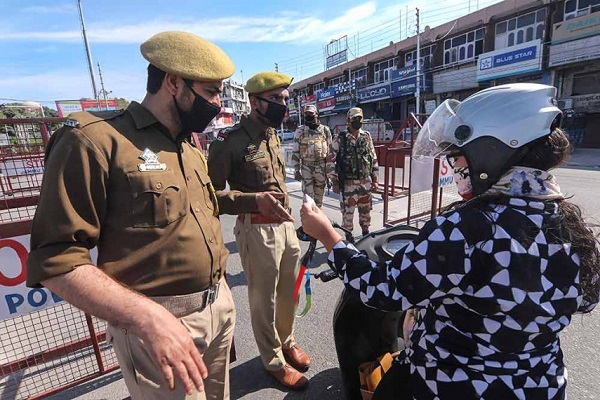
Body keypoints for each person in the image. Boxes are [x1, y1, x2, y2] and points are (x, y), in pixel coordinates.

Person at [301, 83, 600, 400]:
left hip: (452, 385)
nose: (454, 168)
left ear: (492, 151)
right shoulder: (571, 226)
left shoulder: (466, 228)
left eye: (458, 158)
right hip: (541, 387)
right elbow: (584, 301)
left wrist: (327, 235)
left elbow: (382, 290)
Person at [26, 31, 237, 400]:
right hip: (157, 327)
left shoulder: (188, 147)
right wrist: (146, 318)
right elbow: (55, 260)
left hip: (217, 310)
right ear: (173, 82)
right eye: (210, 91)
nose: (218, 104)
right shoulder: (95, 141)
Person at [207, 72, 310, 390]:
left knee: (287, 295)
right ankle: (273, 361)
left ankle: (287, 340)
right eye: (277, 99)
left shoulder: (272, 133)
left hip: (286, 228)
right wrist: (253, 201)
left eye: (286, 99)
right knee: (263, 300)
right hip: (256, 231)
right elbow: (210, 196)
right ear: (254, 102)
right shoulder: (229, 141)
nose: (284, 105)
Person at [327, 106, 379, 236]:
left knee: (365, 211)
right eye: (354, 118)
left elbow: (373, 158)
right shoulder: (340, 138)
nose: (357, 120)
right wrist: (334, 181)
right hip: (348, 184)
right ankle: (348, 237)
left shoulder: (366, 136)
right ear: (348, 120)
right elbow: (330, 161)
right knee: (347, 213)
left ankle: (365, 233)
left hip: (365, 182)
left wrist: (376, 178)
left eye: (359, 118)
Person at [291, 104, 333, 207]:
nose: (308, 116)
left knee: (319, 201)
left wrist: (330, 174)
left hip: (321, 168)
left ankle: (317, 221)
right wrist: (296, 170)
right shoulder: (300, 131)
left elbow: (330, 153)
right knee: (308, 200)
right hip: (306, 168)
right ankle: (308, 222)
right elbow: (295, 151)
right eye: (306, 114)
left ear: (316, 115)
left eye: (311, 114)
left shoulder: (325, 130)